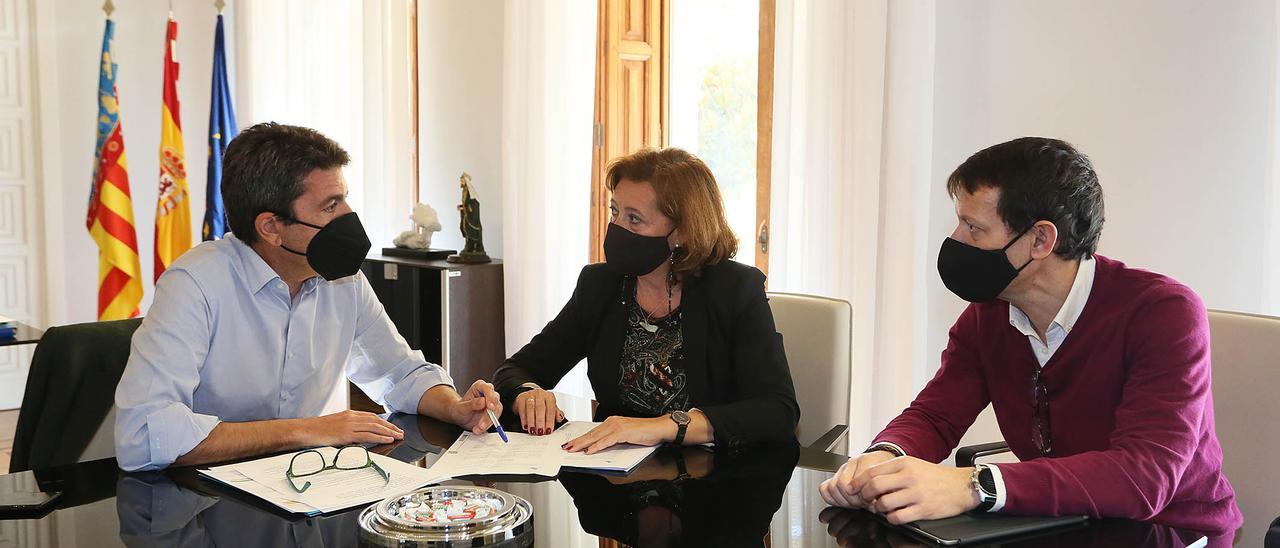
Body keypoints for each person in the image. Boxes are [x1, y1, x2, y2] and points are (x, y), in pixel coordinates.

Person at [819, 137, 1241, 538]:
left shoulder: (1162, 313)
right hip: (1060, 526)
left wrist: (972, 486)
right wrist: (884, 458)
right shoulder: (988, 315)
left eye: (973, 227)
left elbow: (1143, 476)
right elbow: (936, 416)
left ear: (1040, 239)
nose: (955, 241)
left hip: (1170, 534)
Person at [114, 122, 500, 472]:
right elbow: (144, 435)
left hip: (304, 488)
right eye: (330, 206)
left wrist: (455, 407)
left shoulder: (342, 280)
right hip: (203, 504)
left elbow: (398, 372)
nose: (349, 216)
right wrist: (308, 431)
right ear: (271, 228)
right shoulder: (194, 285)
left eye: (345, 199)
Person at [493, 148, 799, 453]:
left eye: (634, 218)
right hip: (616, 476)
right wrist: (528, 393)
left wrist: (665, 427)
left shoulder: (734, 290)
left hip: (714, 478)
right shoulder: (600, 286)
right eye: (615, 212)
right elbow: (517, 370)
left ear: (682, 231)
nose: (616, 229)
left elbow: (777, 410)